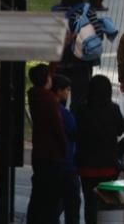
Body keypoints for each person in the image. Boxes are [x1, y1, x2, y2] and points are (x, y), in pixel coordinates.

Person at [73, 74, 124, 224]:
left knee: (90, 203)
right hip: (108, 166)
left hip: (87, 166)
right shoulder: (113, 109)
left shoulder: (82, 110)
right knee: (107, 203)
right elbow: (121, 130)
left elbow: (77, 132)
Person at [27, 64, 67, 224]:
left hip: (39, 153)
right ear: (46, 80)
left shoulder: (34, 96)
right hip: (51, 155)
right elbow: (58, 128)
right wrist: (64, 149)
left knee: (38, 194)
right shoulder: (49, 100)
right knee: (51, 198)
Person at [52, 75, 81, 224]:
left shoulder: (51, 107)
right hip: (67, 163)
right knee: (72, 203)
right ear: (59, 91)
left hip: (56, 162)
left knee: (56, 204)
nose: (69, 93)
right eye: (67, 90)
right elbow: (74, 129)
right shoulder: (62, 111)